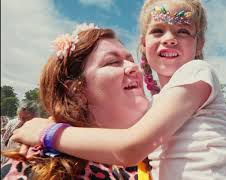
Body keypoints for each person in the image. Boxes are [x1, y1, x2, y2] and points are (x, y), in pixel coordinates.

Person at [12, 0, 226, 179]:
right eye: (158, 31)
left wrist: (49, 133)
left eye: (183, 31)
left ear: (199, 43)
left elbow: (130, 146)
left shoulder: (196, 71)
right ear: (145, 43)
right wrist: (58, 118)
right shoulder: (160, 103)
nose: (170, 38)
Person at [1, 25, 146, 179]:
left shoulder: (156, 151)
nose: (134, 67)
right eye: (113, 62)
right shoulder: (39, 167)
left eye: (131, 60)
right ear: (76, 90)